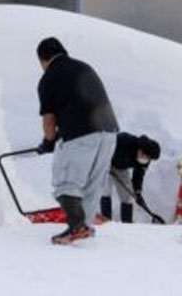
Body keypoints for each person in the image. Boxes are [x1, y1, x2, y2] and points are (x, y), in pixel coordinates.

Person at [34, 37, 119, 245]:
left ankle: (77, 226)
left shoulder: (49, 78)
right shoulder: (84, 67)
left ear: (42, 59)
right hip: (109, 132)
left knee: (66, 184)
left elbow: (49, 120)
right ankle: (84, 227)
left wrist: (48, 142)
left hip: (80, 134)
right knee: (92, 184)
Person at [100, 133, 161, 223]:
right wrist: (106, 165)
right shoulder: (124, 140)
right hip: (106, 164)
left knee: (127, 196)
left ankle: (127, 223)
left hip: (121, 169)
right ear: (140, 148)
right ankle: (105, 219)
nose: (144, 158)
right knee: (106, 189)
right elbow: (105, 150)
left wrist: (137, 192)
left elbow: (138, 175)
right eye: (143, 155)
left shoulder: (145, 159)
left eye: (147, 158)